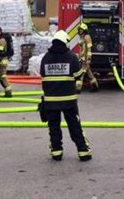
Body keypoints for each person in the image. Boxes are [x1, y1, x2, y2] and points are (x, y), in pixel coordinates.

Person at [39, 30, 91, 161]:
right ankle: (83, 152)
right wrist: (84, 68)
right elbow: (78, 76)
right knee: (74, 126)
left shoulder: (46, 58)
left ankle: (56, 152)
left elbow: (43, 75)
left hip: (51, 101)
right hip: (69, 100)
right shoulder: (71, 56)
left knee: (54, 127)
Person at [78, 22, 99, 91]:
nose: (79, 31)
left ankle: (78, 88)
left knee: (82, 73)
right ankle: (95, 86)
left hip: (86, 59)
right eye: (79, 29)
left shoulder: (87, 37)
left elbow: (89, 48)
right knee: (89, 73)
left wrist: (89, 58)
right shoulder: (82, 37)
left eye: (81, 29)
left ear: (84, 30)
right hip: (83, 58)